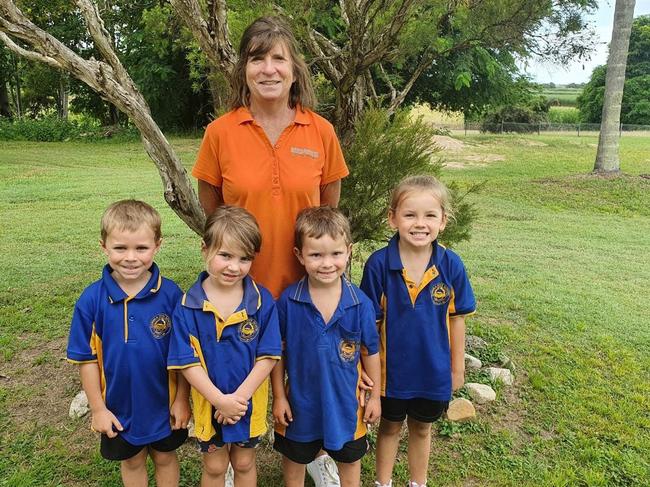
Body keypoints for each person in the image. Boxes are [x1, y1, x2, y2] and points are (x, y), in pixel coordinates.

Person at [191, 15, 349, 300]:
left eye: (279, 59)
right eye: (257, 59)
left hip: (306, 295)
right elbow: (213, 208)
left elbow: (327, 208)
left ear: (295, 70)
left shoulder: (322, 131)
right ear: (243, 70)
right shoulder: (218, 133)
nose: (268, 69)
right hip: (240, 292)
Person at [360, 176, 477, 487]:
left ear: (443, 222)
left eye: (430, 215)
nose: (419, 223)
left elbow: (458, 319)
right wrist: (366, 371)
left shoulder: (451, 265)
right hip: (390, 374)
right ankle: (382, 483)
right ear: (392, 217)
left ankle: (418, 482)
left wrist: (457, 368)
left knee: (422, 429)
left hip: (433, 371)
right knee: (388, 428)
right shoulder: (378, 265)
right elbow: (369, 325)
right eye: (410, 214)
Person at [66, 200, 191, 487]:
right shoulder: (90, 301)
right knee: (132, 461)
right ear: (104, 246)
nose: (131, 257)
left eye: (141, 248)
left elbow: (184, 355)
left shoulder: (171, 295)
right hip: (118, 407)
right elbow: (86, 360)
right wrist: (98, 409)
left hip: (164, 404)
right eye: (120, 248)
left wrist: (182, 399)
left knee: (165, 458)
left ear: (158, 245)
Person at [167, 206, 282, 487]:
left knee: (244, 463)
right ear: (204, 249)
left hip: (247, 405)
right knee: (216, 467)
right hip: (210, 406)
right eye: (225, 255)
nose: (235, 266)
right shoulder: (187, 306)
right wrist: (220, 401)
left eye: (245, 258)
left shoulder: (262, 301)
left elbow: (268, 356)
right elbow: (187, 362)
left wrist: (238, 401)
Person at [271, 206, 381, 487]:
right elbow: (277, 353)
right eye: (316, 255)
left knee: (349, 460)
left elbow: (371, 351)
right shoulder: (288, 301)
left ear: (349, 251)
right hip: (300, 404)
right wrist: (280, 397)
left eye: (335, 253)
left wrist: (376, 397)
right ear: (299, 255)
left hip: (347, 405)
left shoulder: (360, 303)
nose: (327, 263)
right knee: (294, 459)